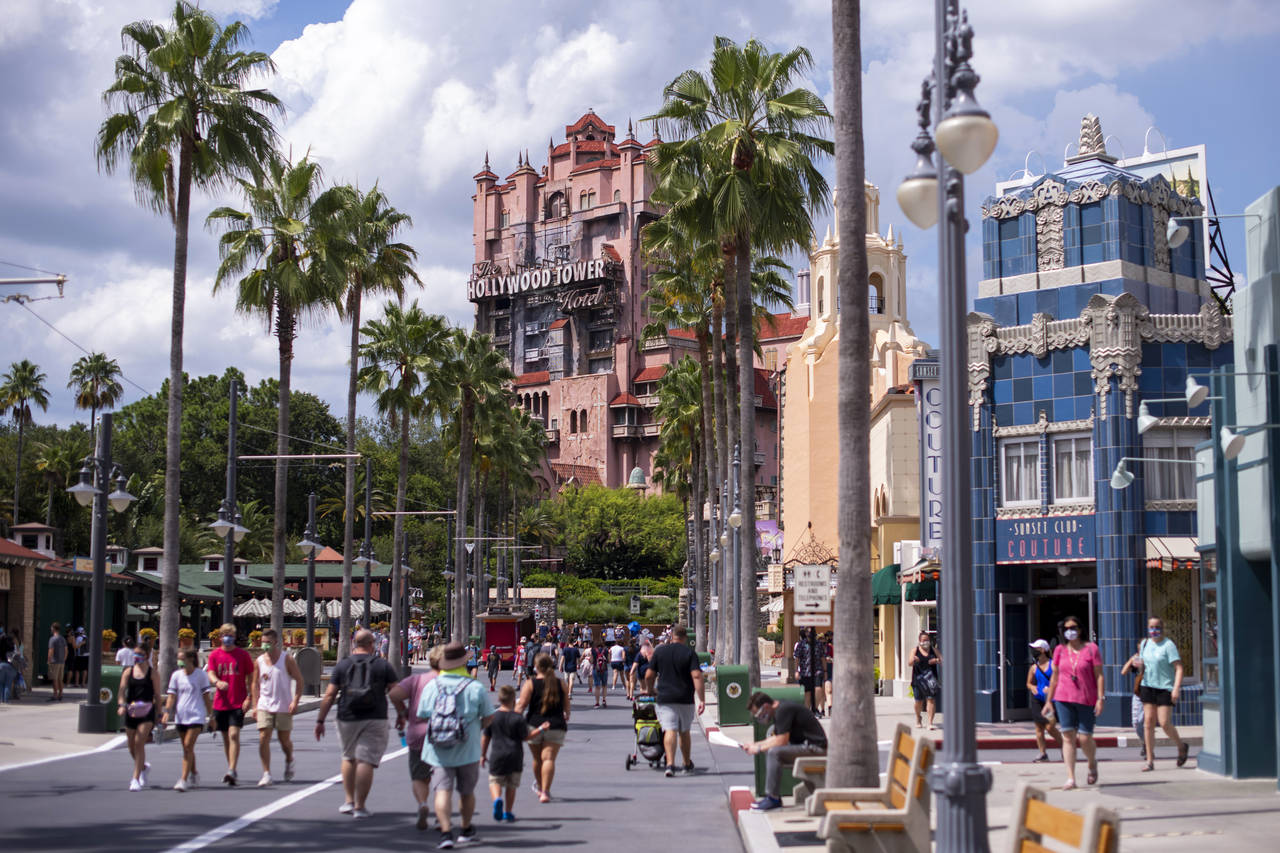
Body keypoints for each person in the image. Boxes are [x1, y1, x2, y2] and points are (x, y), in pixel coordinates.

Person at [315, 629, 401, 818]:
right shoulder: (382, 665)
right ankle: (360, 806)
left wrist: (320, 720)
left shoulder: (343, 665)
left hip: (347, 715)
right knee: (366, 760)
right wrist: (402, 714)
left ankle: (348, 801)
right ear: (372, 644)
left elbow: (329, 695)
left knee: (348, 757)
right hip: (375, 716)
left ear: (354, 643)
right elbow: (395, 692)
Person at [417, 641, 493, 849]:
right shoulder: (475, 687)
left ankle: (445, 833)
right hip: (468, 749)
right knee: (467, 792)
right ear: (464, 662)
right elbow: (488, 718)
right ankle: (466, 829)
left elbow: (423, 715)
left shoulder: (432, 685)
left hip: (438, 749)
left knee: (442, 791)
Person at [1043, 615, 1103, 790]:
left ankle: (1092, 764)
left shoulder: (1091, 649)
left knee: (1085, 738)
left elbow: (1099, 676)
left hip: (1086, 698)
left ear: (1080, 629)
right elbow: (1054, 678)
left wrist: (1101, 698)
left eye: (1074, 627)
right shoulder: (1060, 650)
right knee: (1068, 737)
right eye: (1067, 629)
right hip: (1063, 698)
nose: (1070, 631)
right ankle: (1071, 777)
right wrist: (1048, 702)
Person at [744, 691, 828, 811]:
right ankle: (772, 797)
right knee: (771, 750)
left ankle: (773, 798)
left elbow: (781, 740)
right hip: (807, 746)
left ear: (766, 707)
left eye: (758, 714)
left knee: (774, 752)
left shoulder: (783, 710)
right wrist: (755, 744)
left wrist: (757, 748)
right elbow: (775, 737)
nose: (759, 718)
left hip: (816, 748)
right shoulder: (780, 709)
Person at [388, 644, 441, 831]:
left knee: (419, 776)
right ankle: (441, 814)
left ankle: (422, 803)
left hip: (418, 733)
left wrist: (403, 712)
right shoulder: (452, 681)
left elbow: (394, 694)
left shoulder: (417, 680)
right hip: (444, 735)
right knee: (441, 776)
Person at [644, 624, 705, 777]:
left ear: (671, 636)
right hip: (685, 697)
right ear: (685, 638)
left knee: (669, 729)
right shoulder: (689, 653)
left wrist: (651, 690)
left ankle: (670, 764)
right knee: (684, 731)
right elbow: (697, 676)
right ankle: (686, 763)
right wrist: (702, 699)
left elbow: (649, 675)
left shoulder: (660, 652)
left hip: (665, 698)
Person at [1131, 616, 1190, 770]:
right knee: (1148, 722)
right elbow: (1142, 665)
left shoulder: (1168, 645)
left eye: (1157, 627)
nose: (1154, 630)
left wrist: (1176, 688)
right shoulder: (1145, 644)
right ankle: (1149, 760)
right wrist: (1137, 664)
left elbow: (1179, 668)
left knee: (1164, 723)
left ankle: (1181, 746)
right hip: (1147, 686)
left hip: (1165, 687)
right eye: (1151, 627)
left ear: (1162, 628)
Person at [483, 684, 548, 823]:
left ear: (499, 700)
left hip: (497, 755)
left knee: (495, 781)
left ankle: (497, 799)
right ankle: (508, 812)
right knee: (511, 785)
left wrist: (482, 755)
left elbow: (486, 737)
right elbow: (526, 737)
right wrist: (541, 729)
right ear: (514, 700)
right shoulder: (518, 718)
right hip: (515, 755)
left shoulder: (493, 717)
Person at [250, 628, 304, 787]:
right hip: (264, 705)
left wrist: (295, 701)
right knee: (263, 738)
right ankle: (266, 773)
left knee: (284, 740)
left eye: (268, 642)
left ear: (275, 642)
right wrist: (255, 705)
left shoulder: (286, 659)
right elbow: (254, 684)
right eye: (263, 642)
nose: (265, 645)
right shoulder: (259, 661)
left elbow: (299, 680)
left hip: (283, 705)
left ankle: (289, 759)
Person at [517, 653, 569, 803]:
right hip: (556, 725)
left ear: (537, 667)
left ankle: (540, 787)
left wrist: (511, 718)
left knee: (537, 759)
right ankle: (546, 791)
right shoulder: (560, 683)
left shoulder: (530, 684)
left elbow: (521, 705)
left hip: (534, 724)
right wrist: (566, 714)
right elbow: (567, 708)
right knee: (548, 759)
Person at [206, 622, 254, 786]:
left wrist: (249, 698)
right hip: (221, 703)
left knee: (234, 734)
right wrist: (217, 682)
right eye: (225, 635)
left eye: (231, 635)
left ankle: (232, 770)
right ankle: (231, 768)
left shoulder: (242, 655)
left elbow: (251, 677)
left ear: (234, 637)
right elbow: (211, 672)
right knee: (226, 737)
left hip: (237, 702)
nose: (227, 638)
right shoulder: (215, 655)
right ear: (220, 637)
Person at [162, 649, 214, 791]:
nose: (179, 662)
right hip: (181, 716)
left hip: (196, 716)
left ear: (190, 659)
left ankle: (183, 779)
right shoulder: (176, 676)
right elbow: (172, 696)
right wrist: (166, 713)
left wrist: (211, 716)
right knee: (187, 748)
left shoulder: (200, 675)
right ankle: (194, 772)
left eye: (182, 658)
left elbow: (206, 697)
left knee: (187, 746)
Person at [118, 640, 161, 791]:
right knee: (131, 746)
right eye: (135, 653)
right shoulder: (128, 672)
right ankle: (143, 767)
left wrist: (160, 713)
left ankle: (135, 778)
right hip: (131, 710)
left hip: (147, 710)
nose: (137, 656)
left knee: (139, 742)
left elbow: (157, 694)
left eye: (140, 654)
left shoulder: (152, 673)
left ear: (147, 655)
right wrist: (122, 705)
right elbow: (122, 691)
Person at [1025, 639, 1060, 763]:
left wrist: (1051, 688)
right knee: (1039, 728)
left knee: (1050, 727)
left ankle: (1063, 746)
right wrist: (1033, 687)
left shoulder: (1053, 665)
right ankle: (1042, 753)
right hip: (1037, 701)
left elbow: (1059, 681)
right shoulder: (1034, 668)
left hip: (1050, 701)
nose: (1034, 651)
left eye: (1037, 648)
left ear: (1044, 650)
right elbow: (1028, 683)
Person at [1120, 642, 1147, 761]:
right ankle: (1145, 743)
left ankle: (1148, 748)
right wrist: (1131, 660)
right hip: (1138, 695)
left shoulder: (1152, 659)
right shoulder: (1137, 660)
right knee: (1136, 723)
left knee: (1145, 722)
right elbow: (1123, 672)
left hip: (1150, 694)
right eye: (1140, 649)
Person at [910, 631, 941, 730]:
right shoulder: (915, 650)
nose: (926, 642)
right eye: (923, 640)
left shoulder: (934, 650)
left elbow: (942, 660)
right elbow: (909, 663)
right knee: (918, 702)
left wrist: (936, 660)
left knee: (931, 700)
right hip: (918, 680)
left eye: (927, 640)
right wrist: (914, 660)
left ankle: (930, 723)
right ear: (919, 641)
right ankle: (918, 718)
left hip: (930, 680)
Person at [47, 622, 67, 701]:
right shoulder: (62, 638)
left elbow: (51, 650)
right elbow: (66, 650)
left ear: (53, 628)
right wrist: (64, 658)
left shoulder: (52, 639)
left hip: (54, 661)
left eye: (51, 628)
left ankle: (55, 694)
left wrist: (49, 659)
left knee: (54, 679)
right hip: (62, 661)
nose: (51, 629)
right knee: (60, 679)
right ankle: (60, 694)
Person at [591, 642, 609, 708]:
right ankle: (604, 700)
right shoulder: (606, 650)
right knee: (604, 686)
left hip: (596, 669)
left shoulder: (593, 650)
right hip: (605, 669)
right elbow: (609, 660)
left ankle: (597, 703)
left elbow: (591, 660)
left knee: (597, 686)